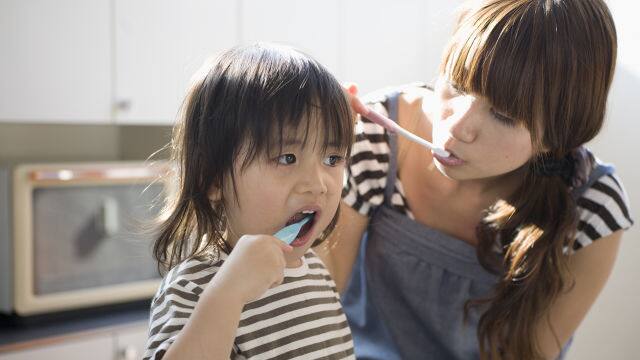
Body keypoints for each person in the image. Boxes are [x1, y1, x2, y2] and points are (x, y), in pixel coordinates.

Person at [314, 0, 634, 359]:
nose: (457, 127)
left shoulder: (594, 207)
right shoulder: (377, 135)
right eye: (457, 84)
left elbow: (527, 354)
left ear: (555, 138)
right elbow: (320, 306)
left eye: (502, 115)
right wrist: (317, 168)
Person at [143, 43, 356, 360]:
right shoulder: (192, 287)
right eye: (287, 157)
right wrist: (228, 294)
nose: (318, 185)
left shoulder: (315, 272)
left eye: (332, 157)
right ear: (213, 178)